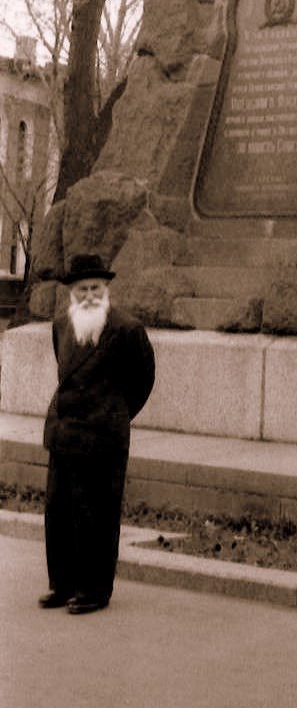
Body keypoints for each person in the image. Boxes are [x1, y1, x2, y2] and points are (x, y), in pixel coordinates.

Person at [39, 253, 155, 615]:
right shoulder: (60, 325)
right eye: (82, 289)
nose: (89, 295)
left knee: (96, 514)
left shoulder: (127, 329)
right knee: (59, 511)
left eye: (95, 288)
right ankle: (62, 584)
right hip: (64, 431)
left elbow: (143, 379)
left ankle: (93, 590)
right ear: (71, 293)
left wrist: (115, 414)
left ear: (105, 290)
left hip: (103, 435)